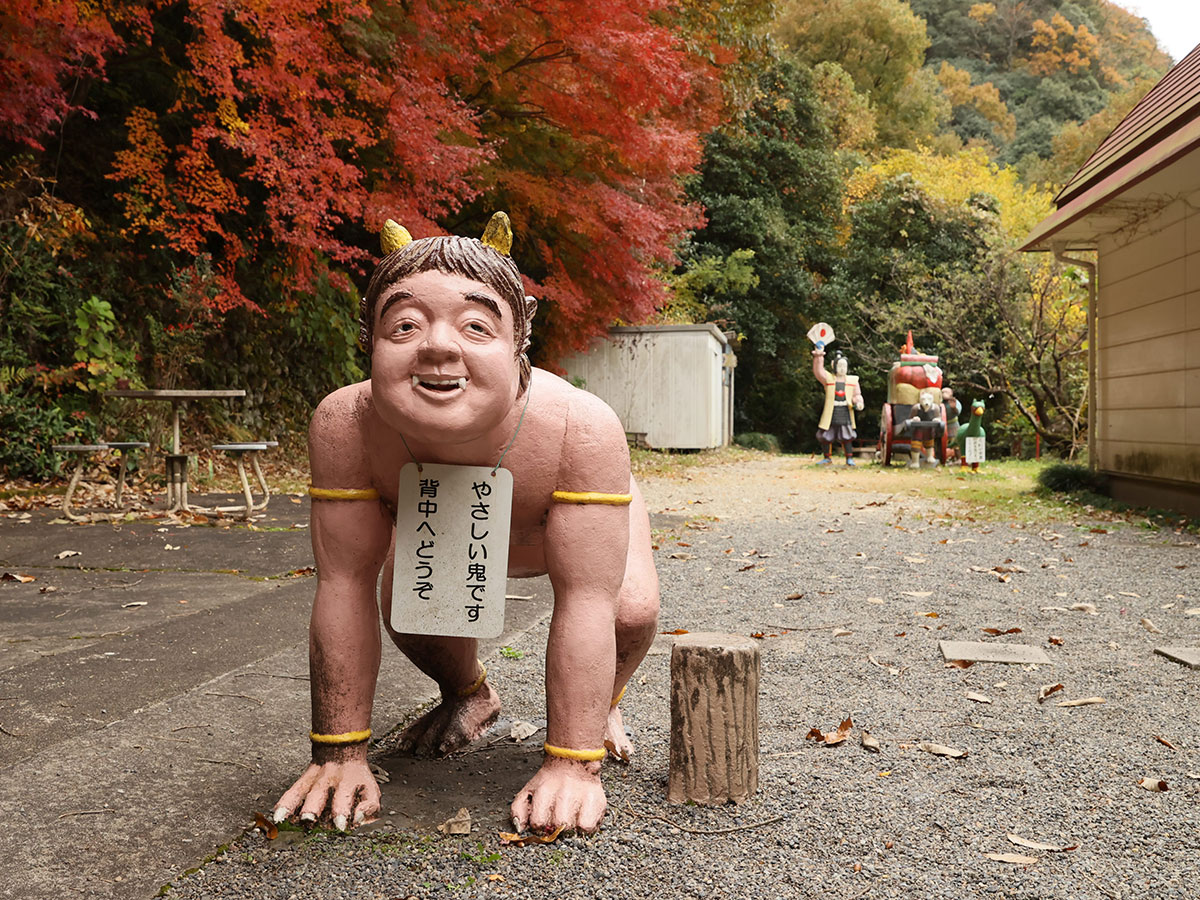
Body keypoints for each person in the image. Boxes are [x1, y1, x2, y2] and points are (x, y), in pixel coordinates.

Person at [271, 214, 659, 835]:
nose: (438, 347)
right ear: (369, 341)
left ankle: (599, 708)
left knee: (628, 610)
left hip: (561, 511)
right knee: (412, 612)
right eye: (404, 325)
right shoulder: (347, 424)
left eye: (476, 326)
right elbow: (342, 582)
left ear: (518, 345)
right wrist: (338, 754)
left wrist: (571, 763)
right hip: (448, 517)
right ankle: (470, 693)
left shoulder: (581, 427)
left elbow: (586, 595)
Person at [812, 348, 864, 465]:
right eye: (839, 366)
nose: (841, 368)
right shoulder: (829, 379)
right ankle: (827, 458)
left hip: (845, 411)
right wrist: (818, 356)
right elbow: (818, 371)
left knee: (847, 435)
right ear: (834, 366)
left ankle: (849, 458)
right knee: (826, 434)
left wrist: (858, 402)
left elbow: (857, 394)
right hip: (831, 411)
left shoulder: (853, 380)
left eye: (844, 366)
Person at [904, 389, 944, 468]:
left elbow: (938, 417)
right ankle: (915, 461)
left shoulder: (935, 408)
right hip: (918, 429)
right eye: (924, 399)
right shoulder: (916, 408)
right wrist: (914, 419)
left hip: (929, 429)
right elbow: (911, 418)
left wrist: (937, 420)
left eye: (929, 399)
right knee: (916, 444)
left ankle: (929, 456)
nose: (926, 401)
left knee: (929, 443)